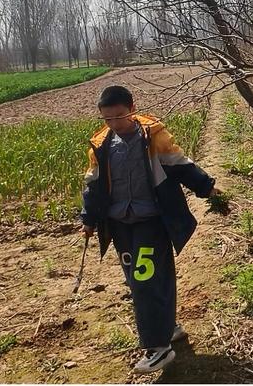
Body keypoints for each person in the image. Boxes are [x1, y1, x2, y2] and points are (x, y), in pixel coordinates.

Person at [80, 83, 215, 376]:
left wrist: (207, 188)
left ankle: (157, 348)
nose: (114, 124)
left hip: (151, 220)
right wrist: (88, 218)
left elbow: (180, 165)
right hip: (119, 224)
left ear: (132, 108)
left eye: (119, 116)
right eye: (107, 119)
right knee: (138, 279)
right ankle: (166, 326)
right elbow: (92, 186)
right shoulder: (101, 145)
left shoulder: (152, 137)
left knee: (145, 279)